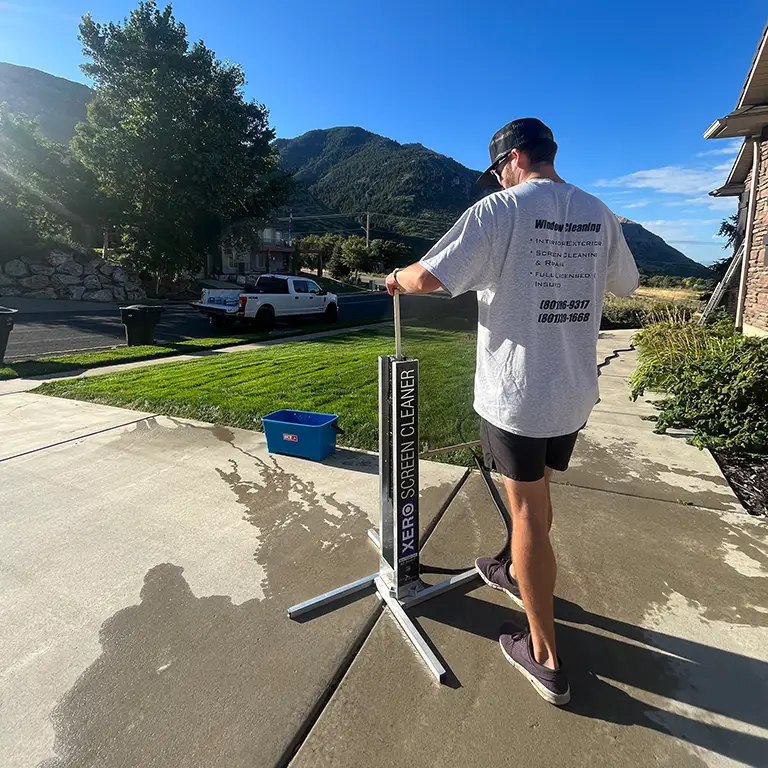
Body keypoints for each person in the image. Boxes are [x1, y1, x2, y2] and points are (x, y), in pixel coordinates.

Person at [385, 118, 638, 706]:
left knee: (527, 513)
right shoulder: (599, 213)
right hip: (572, 394)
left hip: (518, 397)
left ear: (515, 159)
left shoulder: (500, 211)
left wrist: (393, 278)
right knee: (537, 499)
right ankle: (510, 569)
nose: (498, 178)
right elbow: (625, 285)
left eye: (499, 168)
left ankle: (546, 657)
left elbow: (427, 276)